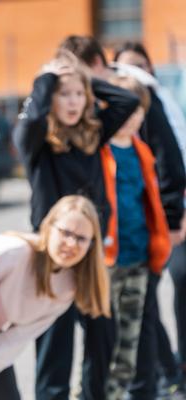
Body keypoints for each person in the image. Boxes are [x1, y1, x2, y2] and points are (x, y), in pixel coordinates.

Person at [13, 48, 139, 400]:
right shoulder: (38, 143)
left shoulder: (92, 135)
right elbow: (29, 124)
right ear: (49, 99)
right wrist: (46, 79)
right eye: (63, 94)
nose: (72, 102)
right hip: (52, 256)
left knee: (104, 336)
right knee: (56, 344)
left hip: (89, 252)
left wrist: (83, 78)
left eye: (78, 95)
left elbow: (127, 101)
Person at [0, 195, 110, 400]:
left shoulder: (68, 287)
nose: (71, 243)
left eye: (81, 238)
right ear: (49, 227)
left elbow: (20, 336)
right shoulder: (15, 252)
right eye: (66, 233)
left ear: (91, 245)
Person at [115, 41, 186, 396]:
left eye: (140, 66)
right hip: (129, 239)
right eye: (125, 67)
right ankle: (164, 371)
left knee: (156, 300)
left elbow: (172, 164)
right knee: (140, 310)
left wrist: (174, 219)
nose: (134, 73)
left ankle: (170, 372)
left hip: (162, 226)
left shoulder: (157, 102)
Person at [100, 75, 172, 399]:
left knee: (133, 338)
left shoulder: (143, 152)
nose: (131, 118)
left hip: (139, 256)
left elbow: (150, 202)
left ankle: (135, 392)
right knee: (105, 340)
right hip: (107, 261)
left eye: (137, 111)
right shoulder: (100, 151)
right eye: (125, 110)